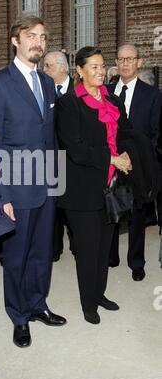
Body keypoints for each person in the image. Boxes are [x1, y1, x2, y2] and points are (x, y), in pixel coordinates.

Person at [0, 15, 67, 348]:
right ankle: (18, 315)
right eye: (31, 36)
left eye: (43, 37)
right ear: (15, 41)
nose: (38, 42)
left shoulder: (47, 83)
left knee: (43, 252)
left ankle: (37, 303)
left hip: (46, 185)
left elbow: (50, 137)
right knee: (16, 255)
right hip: (15, 187)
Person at [56, 46, 133, 324]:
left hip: (110, 186)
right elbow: (76, 149)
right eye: (93, 66)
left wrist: (126, 154)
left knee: (105, 246)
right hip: (82, 190)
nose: (100, 71)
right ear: (79, 70)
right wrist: (112, 157)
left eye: (102, 66)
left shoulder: (111, 99)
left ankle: (99, 293)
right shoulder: (69, 104)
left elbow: (124, 133)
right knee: (87, 250)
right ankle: (88, 302)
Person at [108, 44, 162, 281]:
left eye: (130, 59)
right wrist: (114, 157)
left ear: (139, 62)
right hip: (110, 162)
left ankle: (136, 262)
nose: (125, 63)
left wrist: (133, 157)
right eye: (121, 59)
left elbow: (155, 133)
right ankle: (110, 256)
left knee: (138, 213)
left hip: (138, 163)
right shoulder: (105, 92)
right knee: (109, 207)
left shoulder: (152, 95)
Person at [43, 50, 74, 261]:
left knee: (73, 208)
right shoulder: (43, 91)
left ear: (62, 67)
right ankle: (54, 248)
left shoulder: (80, 90)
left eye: (48, 66)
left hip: (75, 161)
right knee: (53, 209)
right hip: (52, 160)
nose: (43, 70)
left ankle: (78, 245)